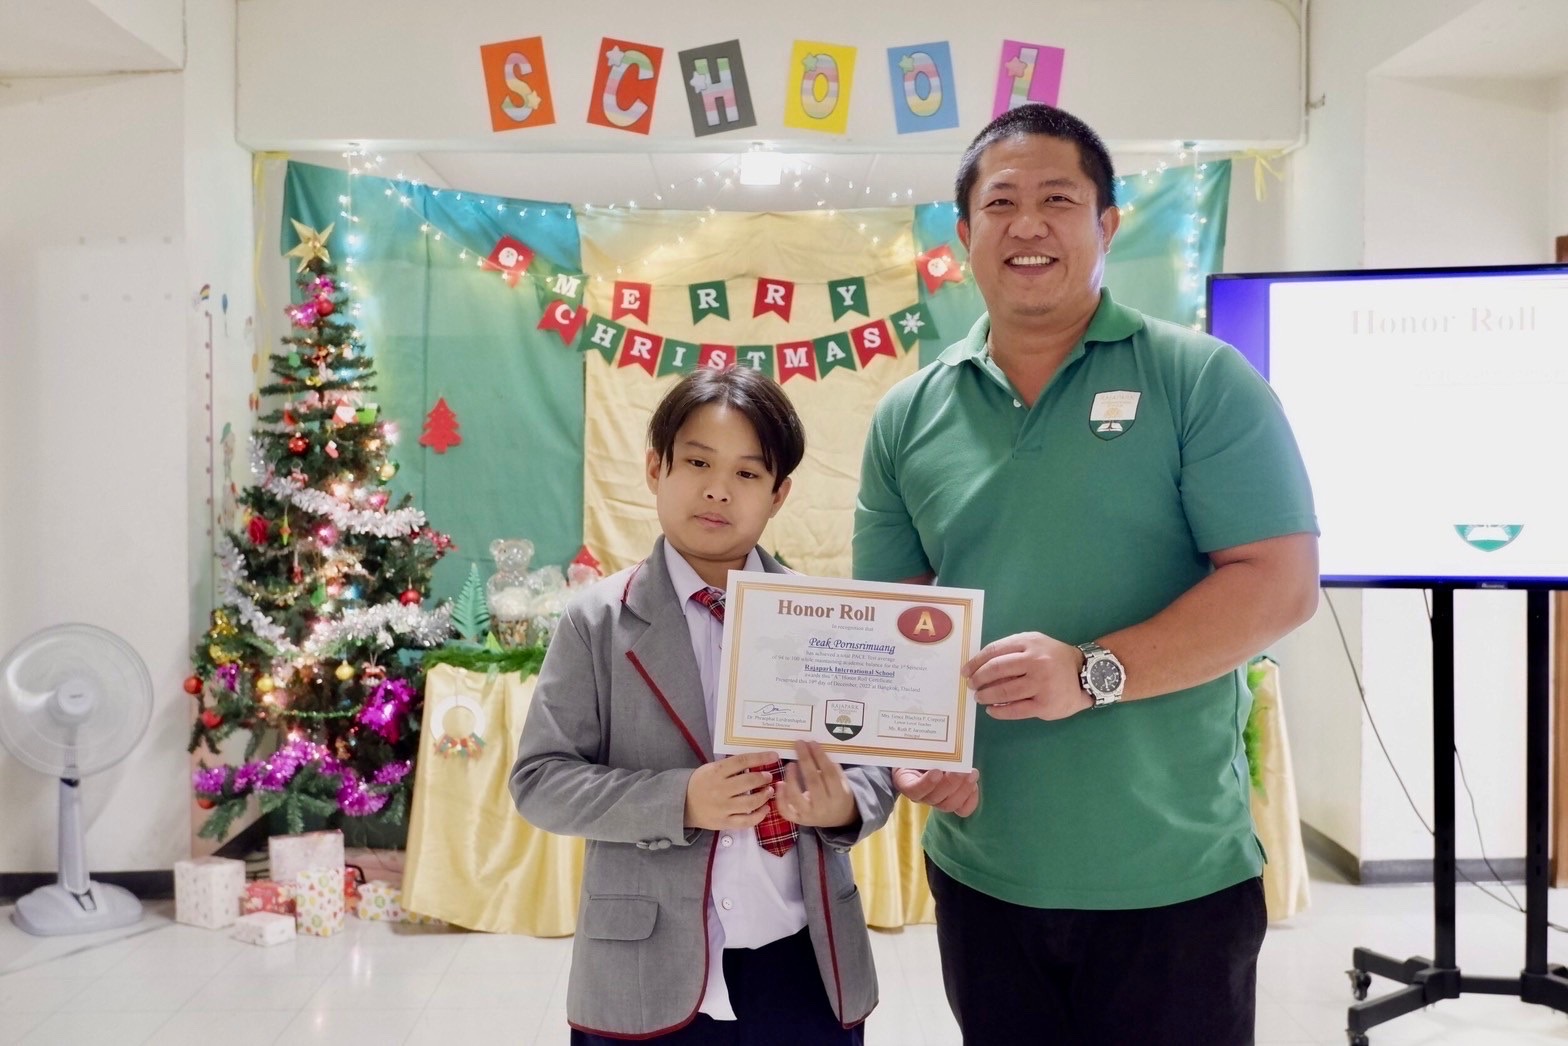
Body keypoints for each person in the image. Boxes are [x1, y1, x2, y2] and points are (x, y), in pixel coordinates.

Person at [855, 103, 1320, 1045]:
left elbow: (1280, 582)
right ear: (964, 233)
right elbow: (890, 622)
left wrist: (1092, 671)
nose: (1027, 224)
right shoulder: (908, 415)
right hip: (985, 869)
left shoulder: (1200, 380)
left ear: (1107, 224)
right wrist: (911, 750)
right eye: (1000, 203)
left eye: (1058, 200)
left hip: (1171, 877)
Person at [513, 365, 896, 1044]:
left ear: (779, 495)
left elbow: (872, 769)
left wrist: (841, 806)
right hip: (643, 970)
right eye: (697, 462)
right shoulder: (596, 621)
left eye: (748, 473)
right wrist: (681, 800)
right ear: (654, 469)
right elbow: (541, 783)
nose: (719, 489)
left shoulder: (824, 618)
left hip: (804, 961)